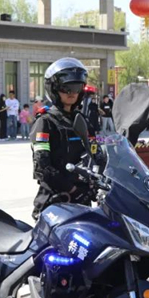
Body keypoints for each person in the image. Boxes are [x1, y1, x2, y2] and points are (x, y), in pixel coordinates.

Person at [30, 58, 103, 220]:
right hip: (56, 202)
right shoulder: (45, 122)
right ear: (54, 89)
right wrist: (72, 190)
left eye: (76, 88)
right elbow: (43, 166)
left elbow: (95, 152)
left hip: (82, 200)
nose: (71, 93)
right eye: (66, 88)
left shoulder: (83, 120)